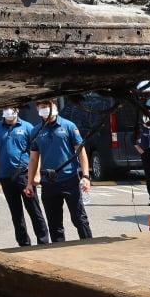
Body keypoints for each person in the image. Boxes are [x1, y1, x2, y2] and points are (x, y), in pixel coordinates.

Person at [25, 99, 92, 242]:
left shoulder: (68, 126)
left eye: (49, 105)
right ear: (37, 108)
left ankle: (89, 245)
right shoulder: (35, 130)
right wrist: (29, 183)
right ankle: (58, 251)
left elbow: (81, 152)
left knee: (79, 218)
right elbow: (33, 159)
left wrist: (85, 176)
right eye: (43, 106)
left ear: (55, 106)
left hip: (69, 180)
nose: (46, 109)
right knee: (54, 224)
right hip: (48, 183)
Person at [0, 109, 47, 246]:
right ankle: (23, 243)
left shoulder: (27, 127)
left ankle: (43, 241)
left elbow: (36, 154)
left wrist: (36, 174)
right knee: (16, 213)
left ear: (18, 109)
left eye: (13, 108)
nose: (9, 111)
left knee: (34, 210)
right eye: (7, 108)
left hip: (25, 175)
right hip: (5, 176)